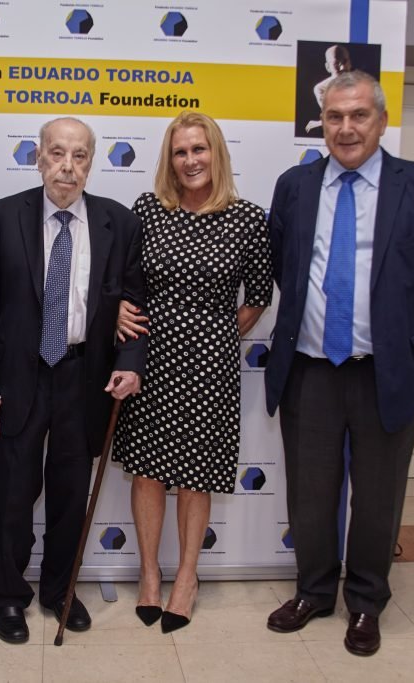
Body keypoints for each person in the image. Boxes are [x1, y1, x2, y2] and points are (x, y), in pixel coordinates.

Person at [264, 71, 414, 656]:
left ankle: (366, 602)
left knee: (378, 497)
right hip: (310, 369)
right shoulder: (295, 186)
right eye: (335, 116)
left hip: (385, 371)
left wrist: (401, 328)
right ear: (321, 123)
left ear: (381, 121)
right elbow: (283, 263)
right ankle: (313, 592)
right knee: (310, 494)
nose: (346, 128)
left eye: (359, 115)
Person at [0, 117, 146, 645]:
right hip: (19, 378)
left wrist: (130, 361)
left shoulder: (118, 222)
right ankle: (7, 594)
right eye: (58, 153)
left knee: (70, 496)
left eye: (80, 155)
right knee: (13, 495)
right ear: (38, 157)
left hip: (83, 377)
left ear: (92, 162)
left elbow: (133, 305)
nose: (68, 166)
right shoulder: (8, 215)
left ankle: (59, 591)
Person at [112, 111, 272, 633]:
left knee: (196, 474)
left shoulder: (247, 219)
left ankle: (187, 576)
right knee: (148, 470)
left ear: (216, 153)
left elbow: (259, 296)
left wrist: (217, 334)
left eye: (198, 149)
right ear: (169, 159)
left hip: (210, 367)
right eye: (180, 152)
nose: (190, 160)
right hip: (150, 360)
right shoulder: (148, 210)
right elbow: (124, 281)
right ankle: (149, 573)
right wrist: (119, 310)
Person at [305, 45, 352, 133]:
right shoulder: (321, 88)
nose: (342, 67)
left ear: (350, 63)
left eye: (345, 61)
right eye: (336, 64)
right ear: (328, 67)